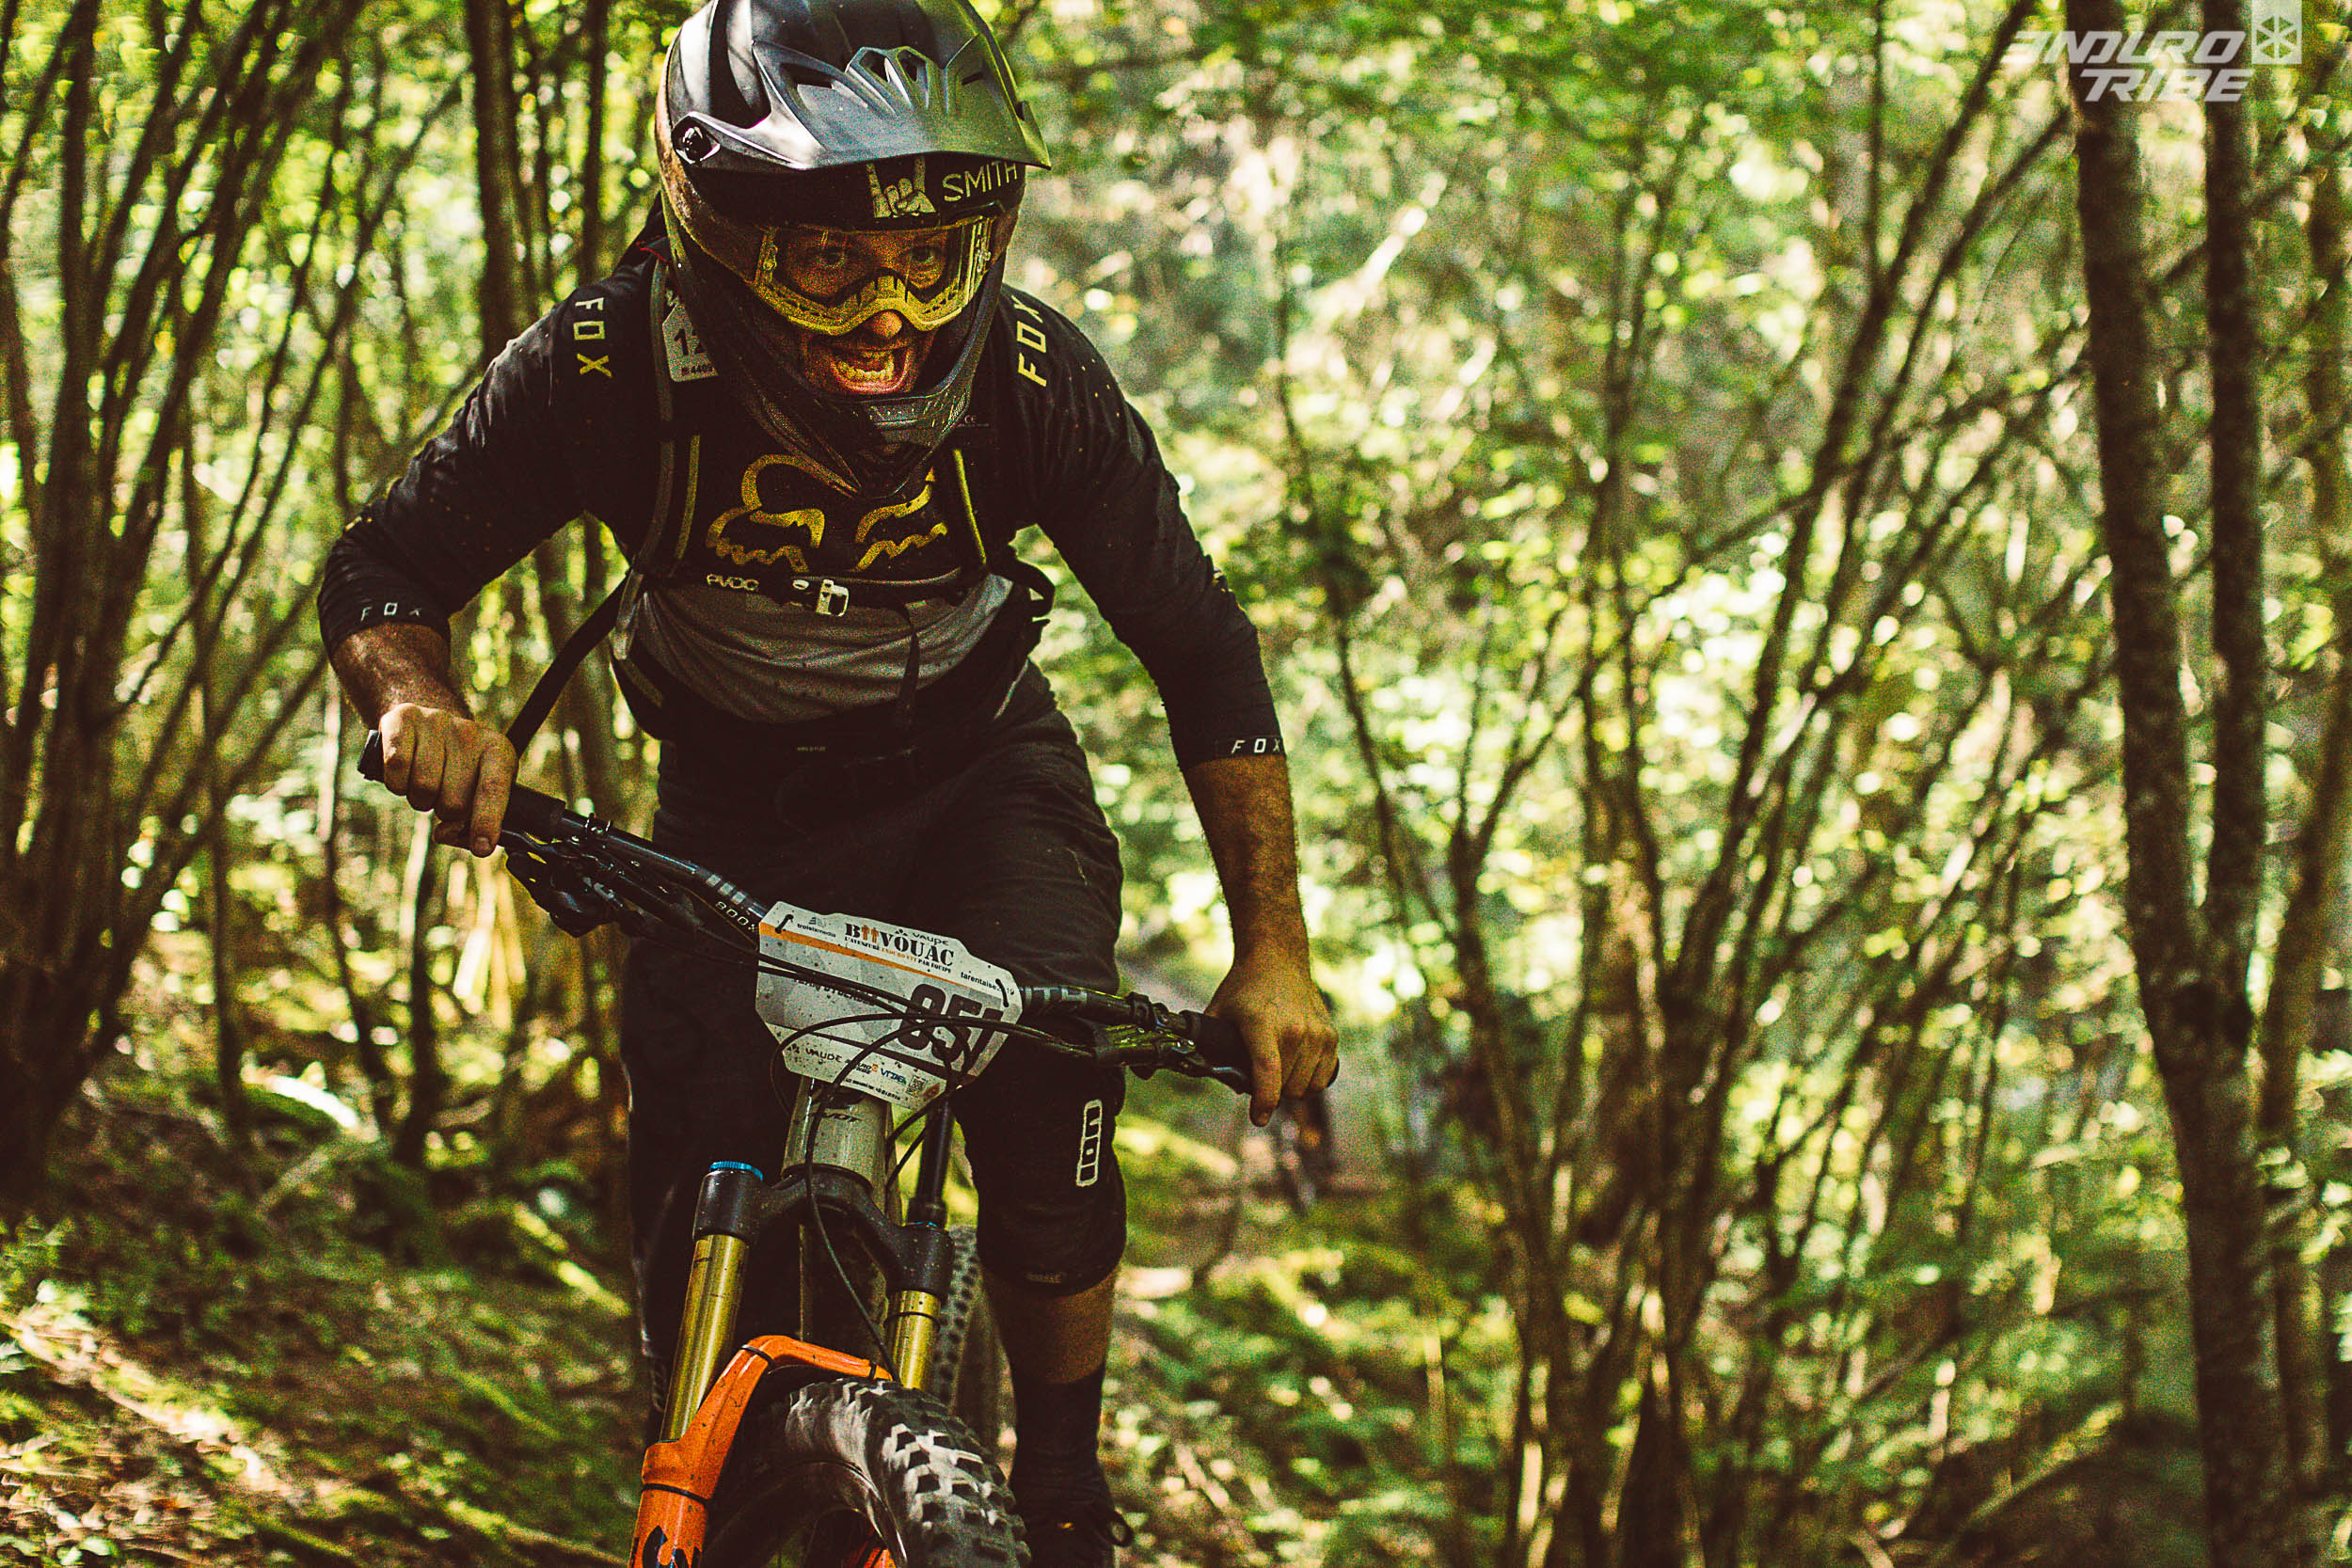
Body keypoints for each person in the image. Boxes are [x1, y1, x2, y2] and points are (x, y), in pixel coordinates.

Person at [313, 0, 1336, 1560]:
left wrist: (1274, 951)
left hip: (982, 779)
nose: (891, 316)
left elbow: (1204, 651)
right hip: (732, 812)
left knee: (1052, 1088)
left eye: (932, 257)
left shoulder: (1035, 384)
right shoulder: (606, 368)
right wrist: (421, 703)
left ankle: (1064, 1489)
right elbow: (387, 566)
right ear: (716, 232)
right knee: (688, 1196)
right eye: (829, 261)